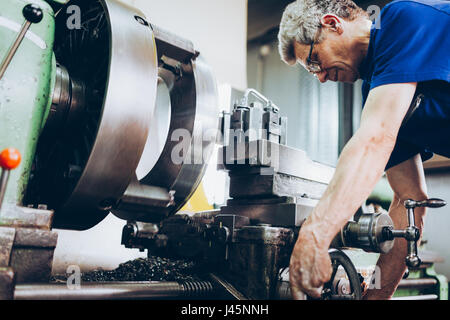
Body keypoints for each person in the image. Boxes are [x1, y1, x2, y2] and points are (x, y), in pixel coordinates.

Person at [277, 0, 450, 300]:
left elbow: (375, 139)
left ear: (332, 24)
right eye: (311, 72)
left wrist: (315, 234)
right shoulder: (378, 89)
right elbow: (409, 202)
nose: (319, 77)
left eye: (314, 61)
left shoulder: (398, 19)